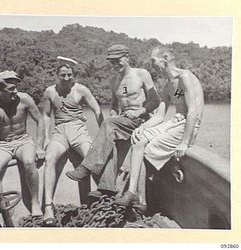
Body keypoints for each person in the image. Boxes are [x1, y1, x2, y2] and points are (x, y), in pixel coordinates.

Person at [114, 45, 204, 212]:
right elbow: (159, 116)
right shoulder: (168, 85)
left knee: (147, 149)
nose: (152, 64)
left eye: (153, 60)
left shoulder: (185, 77)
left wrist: (184, 143)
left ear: (166, 57)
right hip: (175, 122)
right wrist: (142, 128)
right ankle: (133, 193)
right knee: (139, 140)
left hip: (188, 125)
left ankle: (141, 195)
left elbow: (192, 111)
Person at [66, 44, 160, 197]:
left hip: (141, 121)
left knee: (108, 125)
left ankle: (86, 168)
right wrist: (114, 114)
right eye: (112, 62)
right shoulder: (114, 81)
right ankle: (106, 187)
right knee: (109, 134)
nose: (115, 64)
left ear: (127, 58)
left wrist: (139, 111)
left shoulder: (141, 74)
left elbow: (155, 100)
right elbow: (115, 106)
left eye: (118, 60)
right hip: (123, 122)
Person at [42, 56, 103, 225]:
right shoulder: (50, 92)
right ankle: (47, 206)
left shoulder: (81, 89)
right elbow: (46, 115)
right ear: (57, 75)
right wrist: (46, 138)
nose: (67, 78)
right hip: (60, 131)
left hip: (78, 129)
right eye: (63, 75)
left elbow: (97, 110)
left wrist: (102, 135)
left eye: (69, 75)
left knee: (91, 158)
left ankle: (106, 195)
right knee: (49, 158)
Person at [0, 70, 45, 217]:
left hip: (24, 140)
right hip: (3, 144)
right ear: (0, 90)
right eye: (11, 89)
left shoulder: (25, 99)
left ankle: (35, 203)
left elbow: (40, 120)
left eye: (16, 87)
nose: (15, 91)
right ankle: (3, 212)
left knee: (29, 162)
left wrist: (39, 147)